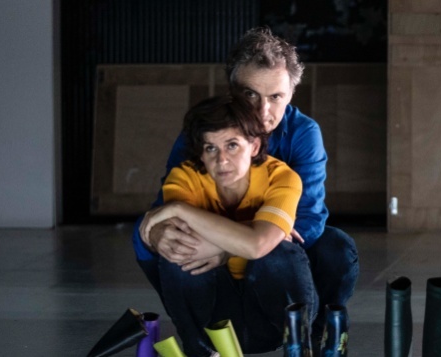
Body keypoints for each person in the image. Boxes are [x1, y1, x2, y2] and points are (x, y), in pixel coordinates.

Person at [131, 27, 359, 351]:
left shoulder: (303, 134)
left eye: (275, 97)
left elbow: (306, 221)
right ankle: (199, 337)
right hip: (212, 258)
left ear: (291, 94)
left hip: (272, 254)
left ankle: (308, 337)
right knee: (154, 240)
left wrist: (230, 248)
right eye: (250, 95)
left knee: (336, 249)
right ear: (232, 91)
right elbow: (167, 207)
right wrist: (156, 234)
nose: (261, 111)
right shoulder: (205, 134)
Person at [141, 95, 316, 355]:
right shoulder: (185, 177)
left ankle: (299, 348)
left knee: (280, 253)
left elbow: (258, 245)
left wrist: (182, 210)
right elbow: (182, 241)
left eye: (232, 145)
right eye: (210, 148)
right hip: (217, 319)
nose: (221, 159)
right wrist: (251, 235)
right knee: (178, 257)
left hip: (270, 320)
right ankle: (198, 350)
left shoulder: (281, 177)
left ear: (254, 146)